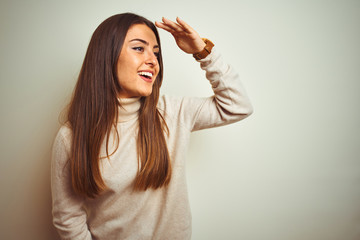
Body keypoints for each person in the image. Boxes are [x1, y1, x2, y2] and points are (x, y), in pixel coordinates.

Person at [51, 12, 253, 240]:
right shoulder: (70, 137)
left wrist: (203, 52)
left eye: (156, 53)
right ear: (106, 56)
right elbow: (67, 217)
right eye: (139, 48)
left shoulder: (173, 112)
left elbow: (238, 106)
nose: (153, 60)